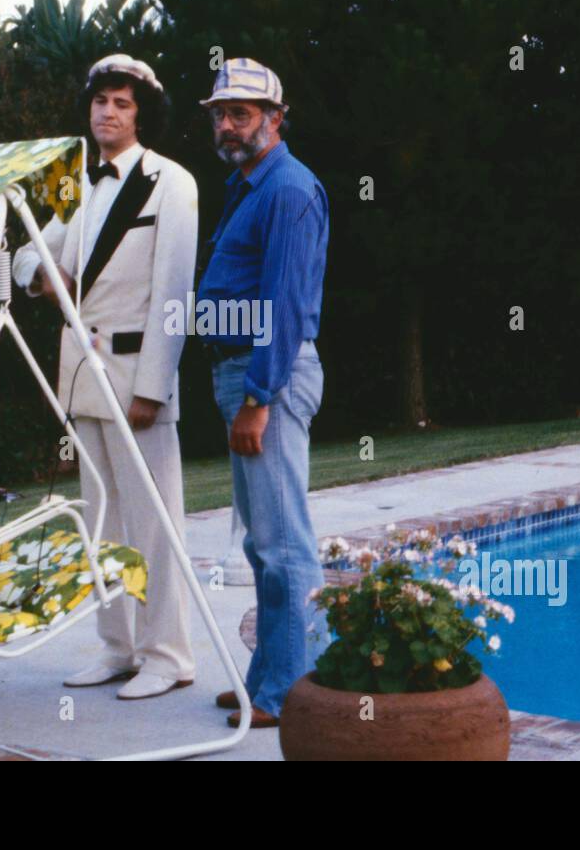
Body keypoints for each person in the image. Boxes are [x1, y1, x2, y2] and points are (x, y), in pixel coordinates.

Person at [12, 54, 199, 700]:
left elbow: (174, 293)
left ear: (141, 112)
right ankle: (117, 646)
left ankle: (167, 653)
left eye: (122, 102)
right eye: (100, 102)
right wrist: (41, 273)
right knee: (100, 522)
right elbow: (31, 249)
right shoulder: (78, 184)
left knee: (152, 521)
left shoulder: (170, 182)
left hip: (135, 377)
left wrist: (153, 386)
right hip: (82, 377)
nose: (108, 112)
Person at [195, 58, 329, 728]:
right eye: (219, 112)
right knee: (261, 543)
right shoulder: (248, 185)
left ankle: (295, 691)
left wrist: (257, 395)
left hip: (264, 375)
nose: (226, 123)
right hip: (242, 372)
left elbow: (283, 300)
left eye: (240, 112)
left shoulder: (287, 189)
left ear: (275, 119)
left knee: (284, 543)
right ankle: (269, 677)